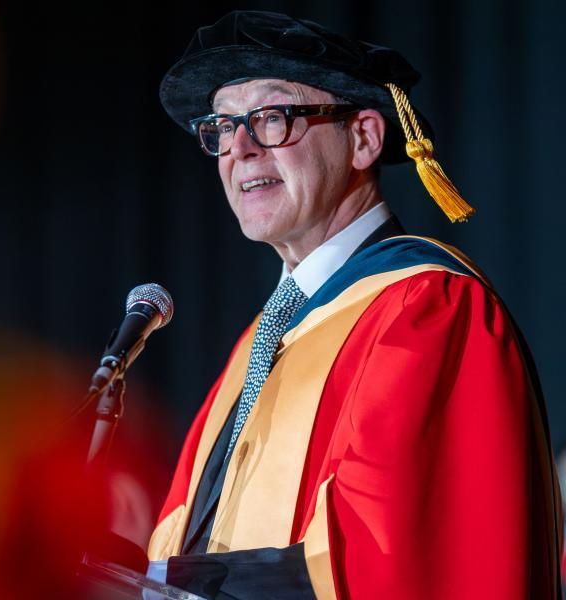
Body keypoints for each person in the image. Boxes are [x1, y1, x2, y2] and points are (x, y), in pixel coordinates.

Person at [146, 10, 563, 600]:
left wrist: (191, 584)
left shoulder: (427, 307)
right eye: (220, 125)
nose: (238, 149)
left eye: (271, 118)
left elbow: (399, 557)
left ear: (364, 138)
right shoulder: (262, 339)